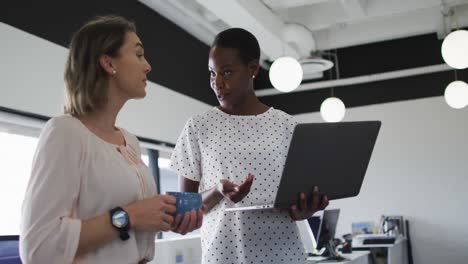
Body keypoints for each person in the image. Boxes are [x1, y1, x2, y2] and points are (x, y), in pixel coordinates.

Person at [19, 15, 202, 264]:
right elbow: (37, 248)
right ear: (108, 62)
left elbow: (127, 232)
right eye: (138, 55)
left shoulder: (130, 141)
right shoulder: (64, 132)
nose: (147, 66)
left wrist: (166, 220)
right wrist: (130, 216)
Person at [170, 28, 329, 264]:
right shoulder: (198, 127)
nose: (217, 83)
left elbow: (296, 206)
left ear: (252, 69)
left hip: (283, 254)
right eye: (212, 73)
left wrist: (305, 209)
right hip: (223, 255)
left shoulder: (287, 125)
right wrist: (217, 192)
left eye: (226, 72)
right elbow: (184, 210)